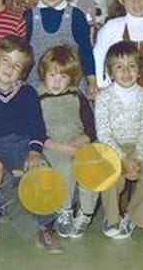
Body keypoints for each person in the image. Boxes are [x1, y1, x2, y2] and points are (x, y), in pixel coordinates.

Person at [0, 36, 63, 254]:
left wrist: (34, 152)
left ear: (23, 73)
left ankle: (45, 228)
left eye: (17, 66)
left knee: (43, 171)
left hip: (24, 145)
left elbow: (37, 128)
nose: (9, 68)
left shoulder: (28, 93)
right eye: (5, 60)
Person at [95, 41, 143, 239]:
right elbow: (104, 134)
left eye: (132, 66)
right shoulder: (103, 97)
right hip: (112, 148)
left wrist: (136, 159)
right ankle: (112, 218)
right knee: (112, 178)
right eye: (119, 67)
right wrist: (123, 159)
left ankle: (133, 215)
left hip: (139, 148)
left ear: (139, 71)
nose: (126, 72)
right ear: (111, 72)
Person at [37, 45, 98, 239]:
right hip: (52, 146)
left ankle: (86, 213)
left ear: (71, 78)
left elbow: (91, 128)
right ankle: (64, 210)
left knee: (89, 166)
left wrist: (80, 142)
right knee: (65, 167)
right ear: (43, 73)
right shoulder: (37, 97)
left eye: (63, 77)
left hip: (78, 142)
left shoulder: (76, 95)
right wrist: (63, 148)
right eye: (52, 75)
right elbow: (36, 134)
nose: (57, 81)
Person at [24, 0, 97, 97]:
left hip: (72, 86)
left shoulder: (75, 16)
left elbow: (85, 50)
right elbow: (24, 54)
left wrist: (92, 81)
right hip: (36, 85)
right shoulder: (29, 17)